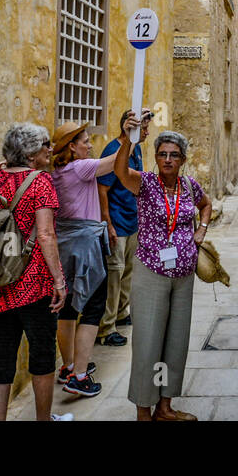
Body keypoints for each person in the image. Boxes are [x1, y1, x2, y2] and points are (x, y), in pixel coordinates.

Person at [113, 114, 212, 421]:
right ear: (155, 157)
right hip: (151, 273)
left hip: (183, 276)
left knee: (176, 342)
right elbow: (118, 171)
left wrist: (202, 229)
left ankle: (165, 407)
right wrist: (129, 139)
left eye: (174, 155)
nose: (168, 159)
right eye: (162, 154)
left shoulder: (188, 185)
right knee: (147, 342)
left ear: (182, 159)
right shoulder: (144, 183)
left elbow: (206, 204)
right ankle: (144, 410)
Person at [0, 123, 70, 421]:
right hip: (34, 284)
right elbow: (45, 235)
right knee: (42, 358)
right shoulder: (40, 182)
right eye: (45, 144)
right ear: (31, 153)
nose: (50, 149)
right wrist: (59, 280)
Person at [50, 121, 121, 397]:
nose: (90, 146)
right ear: (72, 147)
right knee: (93, 307)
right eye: (85, 141)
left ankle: (68, 365)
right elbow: (117, 161)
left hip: (64, 244)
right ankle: (79, 376)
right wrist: (130, 136)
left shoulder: (54, 172)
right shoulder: (81, 168)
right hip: (87, 245)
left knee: (67, 308)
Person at [96, 110, 141, 347]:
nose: (146, 132)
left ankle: (122, 314)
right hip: (117, 223)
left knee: (127, 272)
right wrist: (108, 224)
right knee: (114, 275)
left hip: (132, 221)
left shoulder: (138, 149)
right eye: (143, 127)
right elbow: (102, 188)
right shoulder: (113, 150)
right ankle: (106, 328)